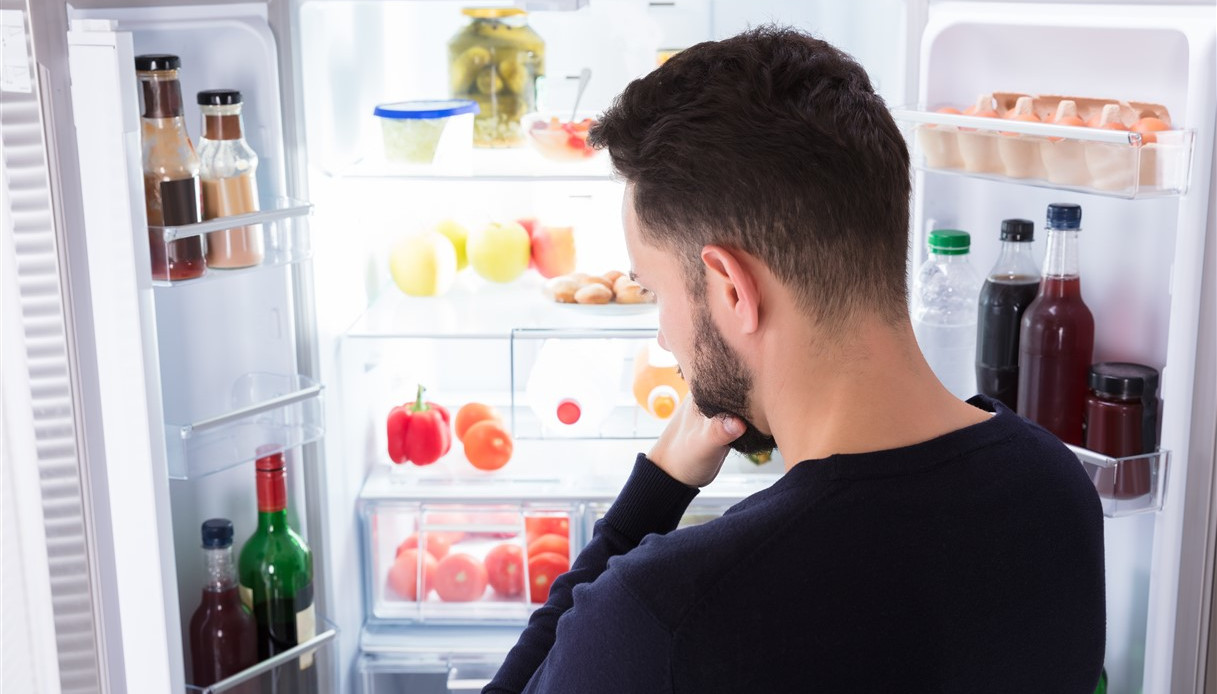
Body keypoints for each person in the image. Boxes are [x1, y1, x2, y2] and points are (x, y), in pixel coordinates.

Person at [485, 26, 1105, 694]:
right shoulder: (1056, 489)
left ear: (731, 289)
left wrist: (646, 504)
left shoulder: (663, 618)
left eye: (654, 292)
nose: (663, 338)